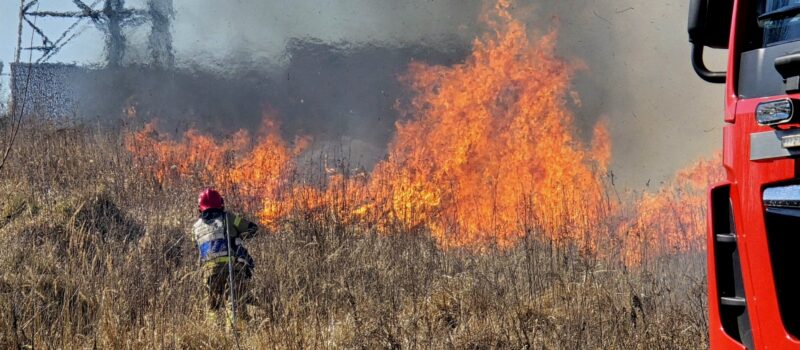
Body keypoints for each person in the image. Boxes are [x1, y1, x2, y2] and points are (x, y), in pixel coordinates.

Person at [192, 188, 258, 329]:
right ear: (220, 204)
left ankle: (213, 335)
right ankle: (234, 335)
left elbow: (196, 248)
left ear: (200, 207)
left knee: (212, 307)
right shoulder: (228, 217)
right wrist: (237, 237)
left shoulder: (195, 227)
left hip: (208, 273)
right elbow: (252, 228)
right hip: (231, 269)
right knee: (234, 304)